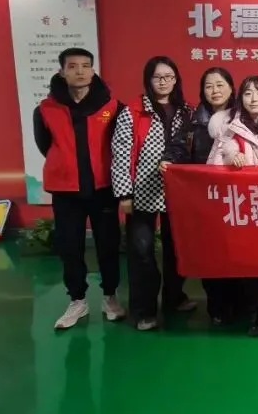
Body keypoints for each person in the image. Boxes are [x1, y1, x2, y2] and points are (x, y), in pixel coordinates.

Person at [34, 47, 126, 329]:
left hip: (103, 189)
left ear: (93, 70)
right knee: (69, 247)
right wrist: (67, 167)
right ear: (62, 72)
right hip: (66, 192)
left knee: (108, 245)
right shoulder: (45, 110)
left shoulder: (112, 107)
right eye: (72, 66)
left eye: (86, 66)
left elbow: (121, 146)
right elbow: (44, 145)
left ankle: (110, 296)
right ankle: (77, 300)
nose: (80, 71)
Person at [111, 56, 195, 331]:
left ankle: (174, 297)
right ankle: (144, 310)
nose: (163, 82)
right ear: (148, 80)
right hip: (142, 192)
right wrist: (124, 194)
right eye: (158, 77)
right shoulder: (133, 111)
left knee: (177, 249)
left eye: (169, 77)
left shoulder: (187, 111)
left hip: (177, 193)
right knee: (141, 252)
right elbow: (121, 154)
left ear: (176, 79)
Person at [207, 75, 258, 337]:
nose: (254, 99)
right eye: (248, 93)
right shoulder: (229, 126)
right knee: (248, 261)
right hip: (243, 206)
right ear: (240, 98)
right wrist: (232, 159)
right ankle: (256, 314)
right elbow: (214, 163)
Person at [163, 67, 240, 327]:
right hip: (206, 199)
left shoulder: (243, 116)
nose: (215, 91)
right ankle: (217, 306)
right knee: (211, 254)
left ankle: (242, 302)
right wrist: (169, 160)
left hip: (238, 198)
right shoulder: (194, 120)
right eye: (209, 86)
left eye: (220, 85)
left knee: (238, 252)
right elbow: (178, 148)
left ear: (231, 88)